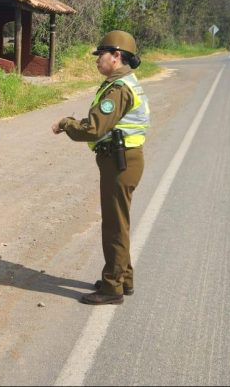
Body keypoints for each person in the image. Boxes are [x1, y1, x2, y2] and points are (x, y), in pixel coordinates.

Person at [52, 30, 150, 306]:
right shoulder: (122, 84)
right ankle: (122, 278)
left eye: (101, 55)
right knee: (120, 223)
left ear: (116, 56)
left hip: (120, 163)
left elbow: (94, 129)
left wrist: (66, 123)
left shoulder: (119, 90)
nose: (97, 60)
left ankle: (112, 288)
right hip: (122, 160)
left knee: (115, 226)